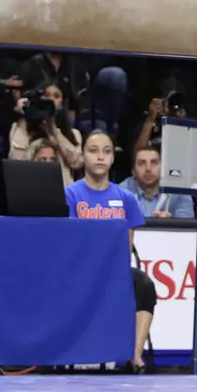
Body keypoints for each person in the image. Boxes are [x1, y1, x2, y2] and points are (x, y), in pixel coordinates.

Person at [66, 131, 157, 371]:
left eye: (106, 151)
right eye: (93, 150)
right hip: (80, 273)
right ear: (83, 155)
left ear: (113, 158)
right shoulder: (71, 195)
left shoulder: (126, 198)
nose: (100, 157)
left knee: (144, 284)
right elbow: (70, 243)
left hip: (113, 272)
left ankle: (134, 355)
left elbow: (126, 246)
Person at [123, 144, 195, 221]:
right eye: (142, 163)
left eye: (154, 163)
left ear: (163, 168)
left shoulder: (179, 191)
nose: (148, 168)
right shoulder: (120, 192)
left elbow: (186, 227)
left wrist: (172, 223)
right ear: (133, 171)